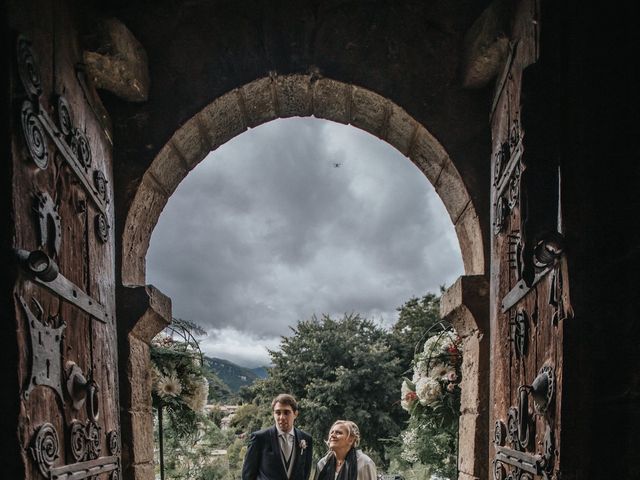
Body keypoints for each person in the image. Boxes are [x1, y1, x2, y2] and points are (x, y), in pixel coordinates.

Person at [242, 393, 314, 480]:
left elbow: (306, 473)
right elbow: (248, 475)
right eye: (278, 413)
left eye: (286, 412)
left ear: (295, 414)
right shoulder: (260, 438)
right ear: (273, 414)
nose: (282, 417)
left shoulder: (306, 439)